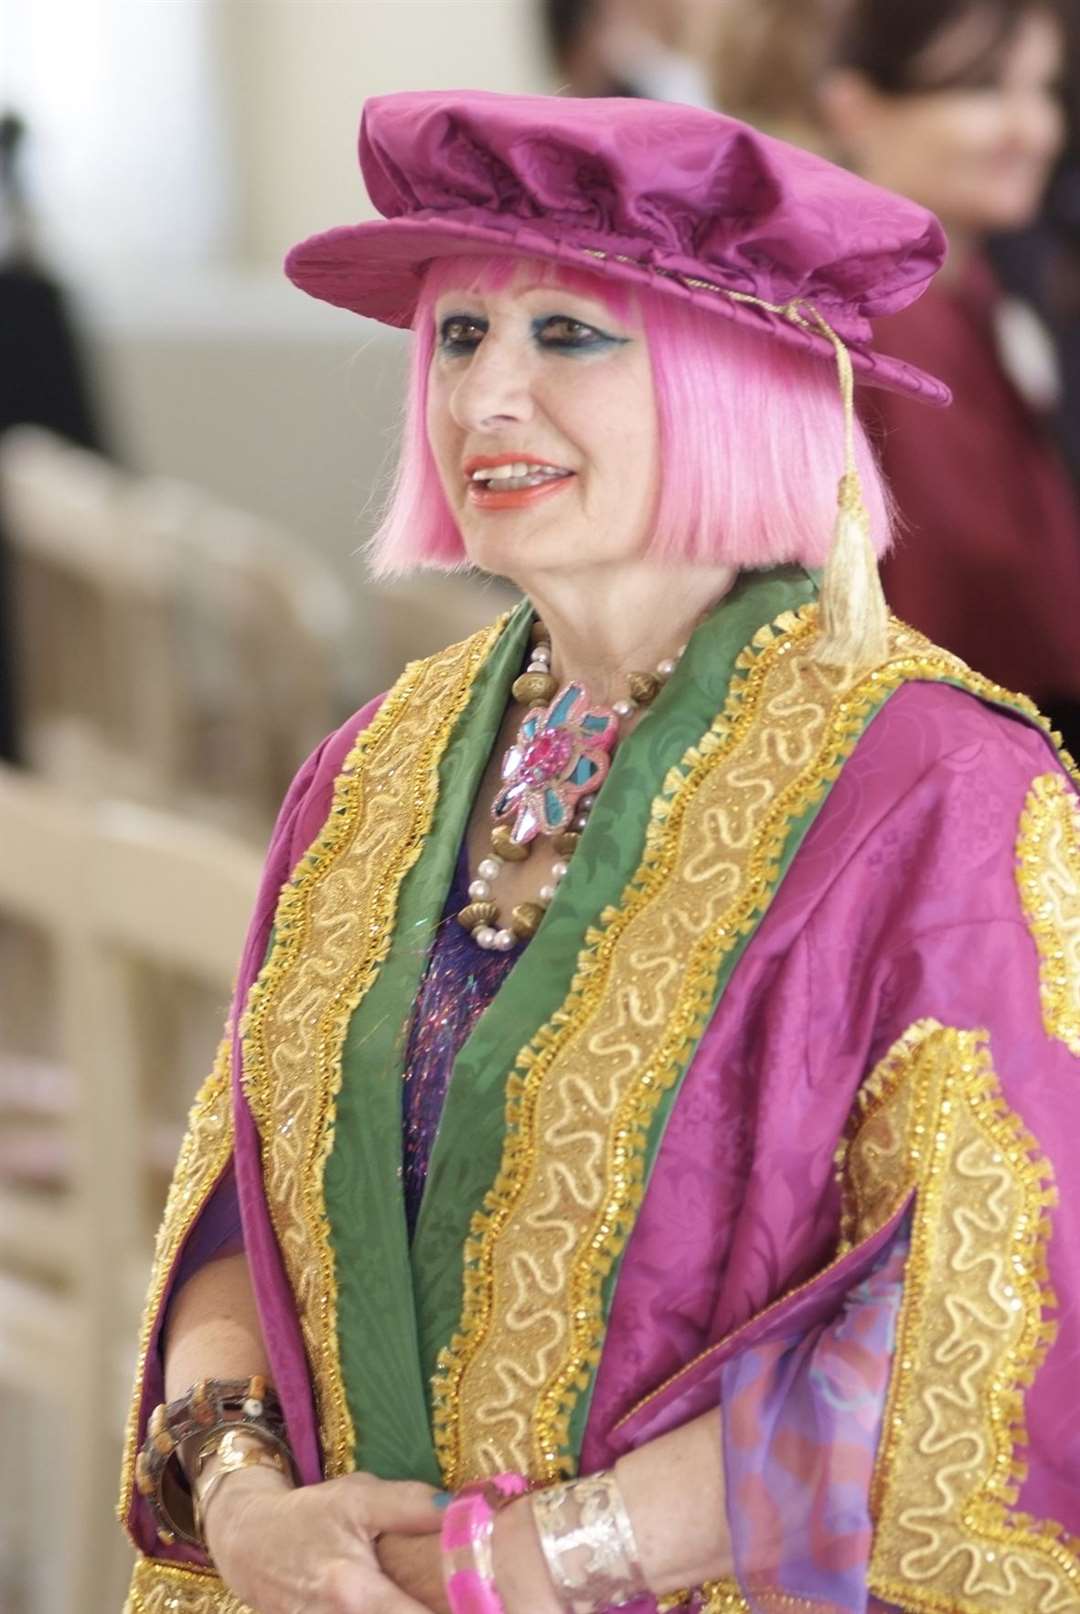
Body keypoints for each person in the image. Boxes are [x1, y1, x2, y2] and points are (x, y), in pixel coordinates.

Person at [119, 91, 1080, 1614]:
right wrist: (237, 1489)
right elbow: (244, 1186)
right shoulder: (377, 762)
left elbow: (982, 1329)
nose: (486, 395)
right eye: (457, 336)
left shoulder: (943, 791)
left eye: (568, 334)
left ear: (736, 373)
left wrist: (537, 1559)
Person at [817, 0, 1080, 758]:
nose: (1034, 130)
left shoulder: (975, 292)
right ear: (855, 107)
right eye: (984, 89)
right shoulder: (867, 327)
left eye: (1044, 90)